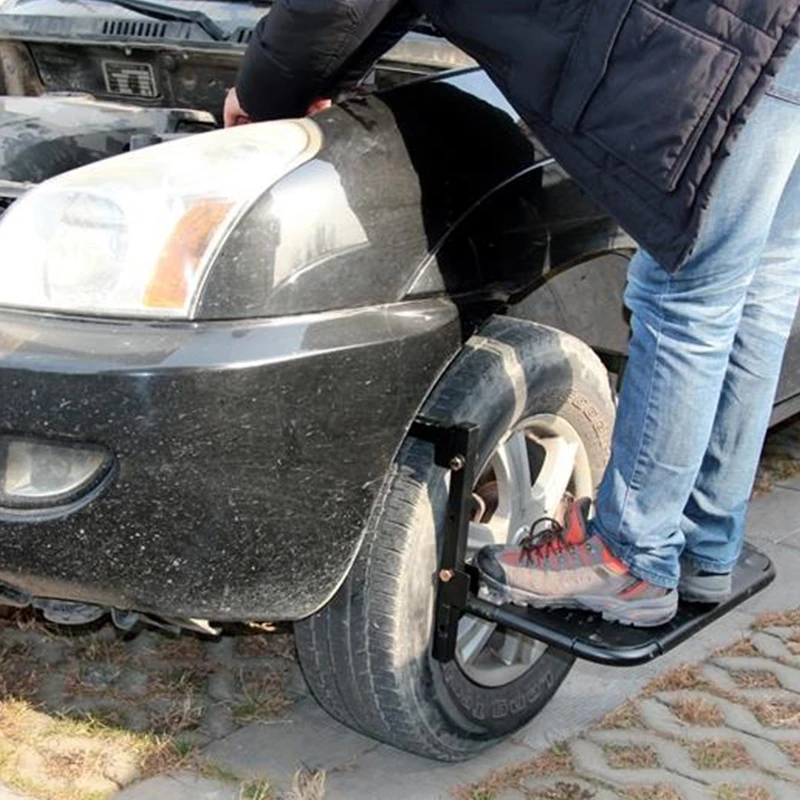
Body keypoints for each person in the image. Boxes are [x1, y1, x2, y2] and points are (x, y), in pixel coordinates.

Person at [225, 0, 800, 627]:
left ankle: (633, 558)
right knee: (757, 289)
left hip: (734, 44)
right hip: (775, 38)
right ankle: (706, 544)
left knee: (688, 293)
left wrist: (263, 92)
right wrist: (329, 77)